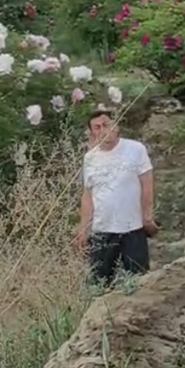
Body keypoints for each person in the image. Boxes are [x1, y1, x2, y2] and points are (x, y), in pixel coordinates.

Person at [76, 106, 157, 284]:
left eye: (106, 124)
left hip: (132, 226)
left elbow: (147, 184)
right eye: (97, 127)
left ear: (116, 126)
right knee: (100, 282)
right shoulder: (90, 158)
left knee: (140, 280)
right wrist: (83, 227)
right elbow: (88, 194)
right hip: (102, 229)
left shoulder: (135, 149)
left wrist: (147, 215)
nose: (103, 130)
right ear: (91, 132)